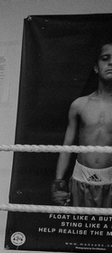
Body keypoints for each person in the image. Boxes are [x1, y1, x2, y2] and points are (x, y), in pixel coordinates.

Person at [53, 40, 112, 208]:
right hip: (80, 179)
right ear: (96, 67)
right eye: (105, 58)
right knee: (79, 224)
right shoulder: (79, 105)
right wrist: (58, 182)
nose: (111, 63)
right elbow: (67, 146)